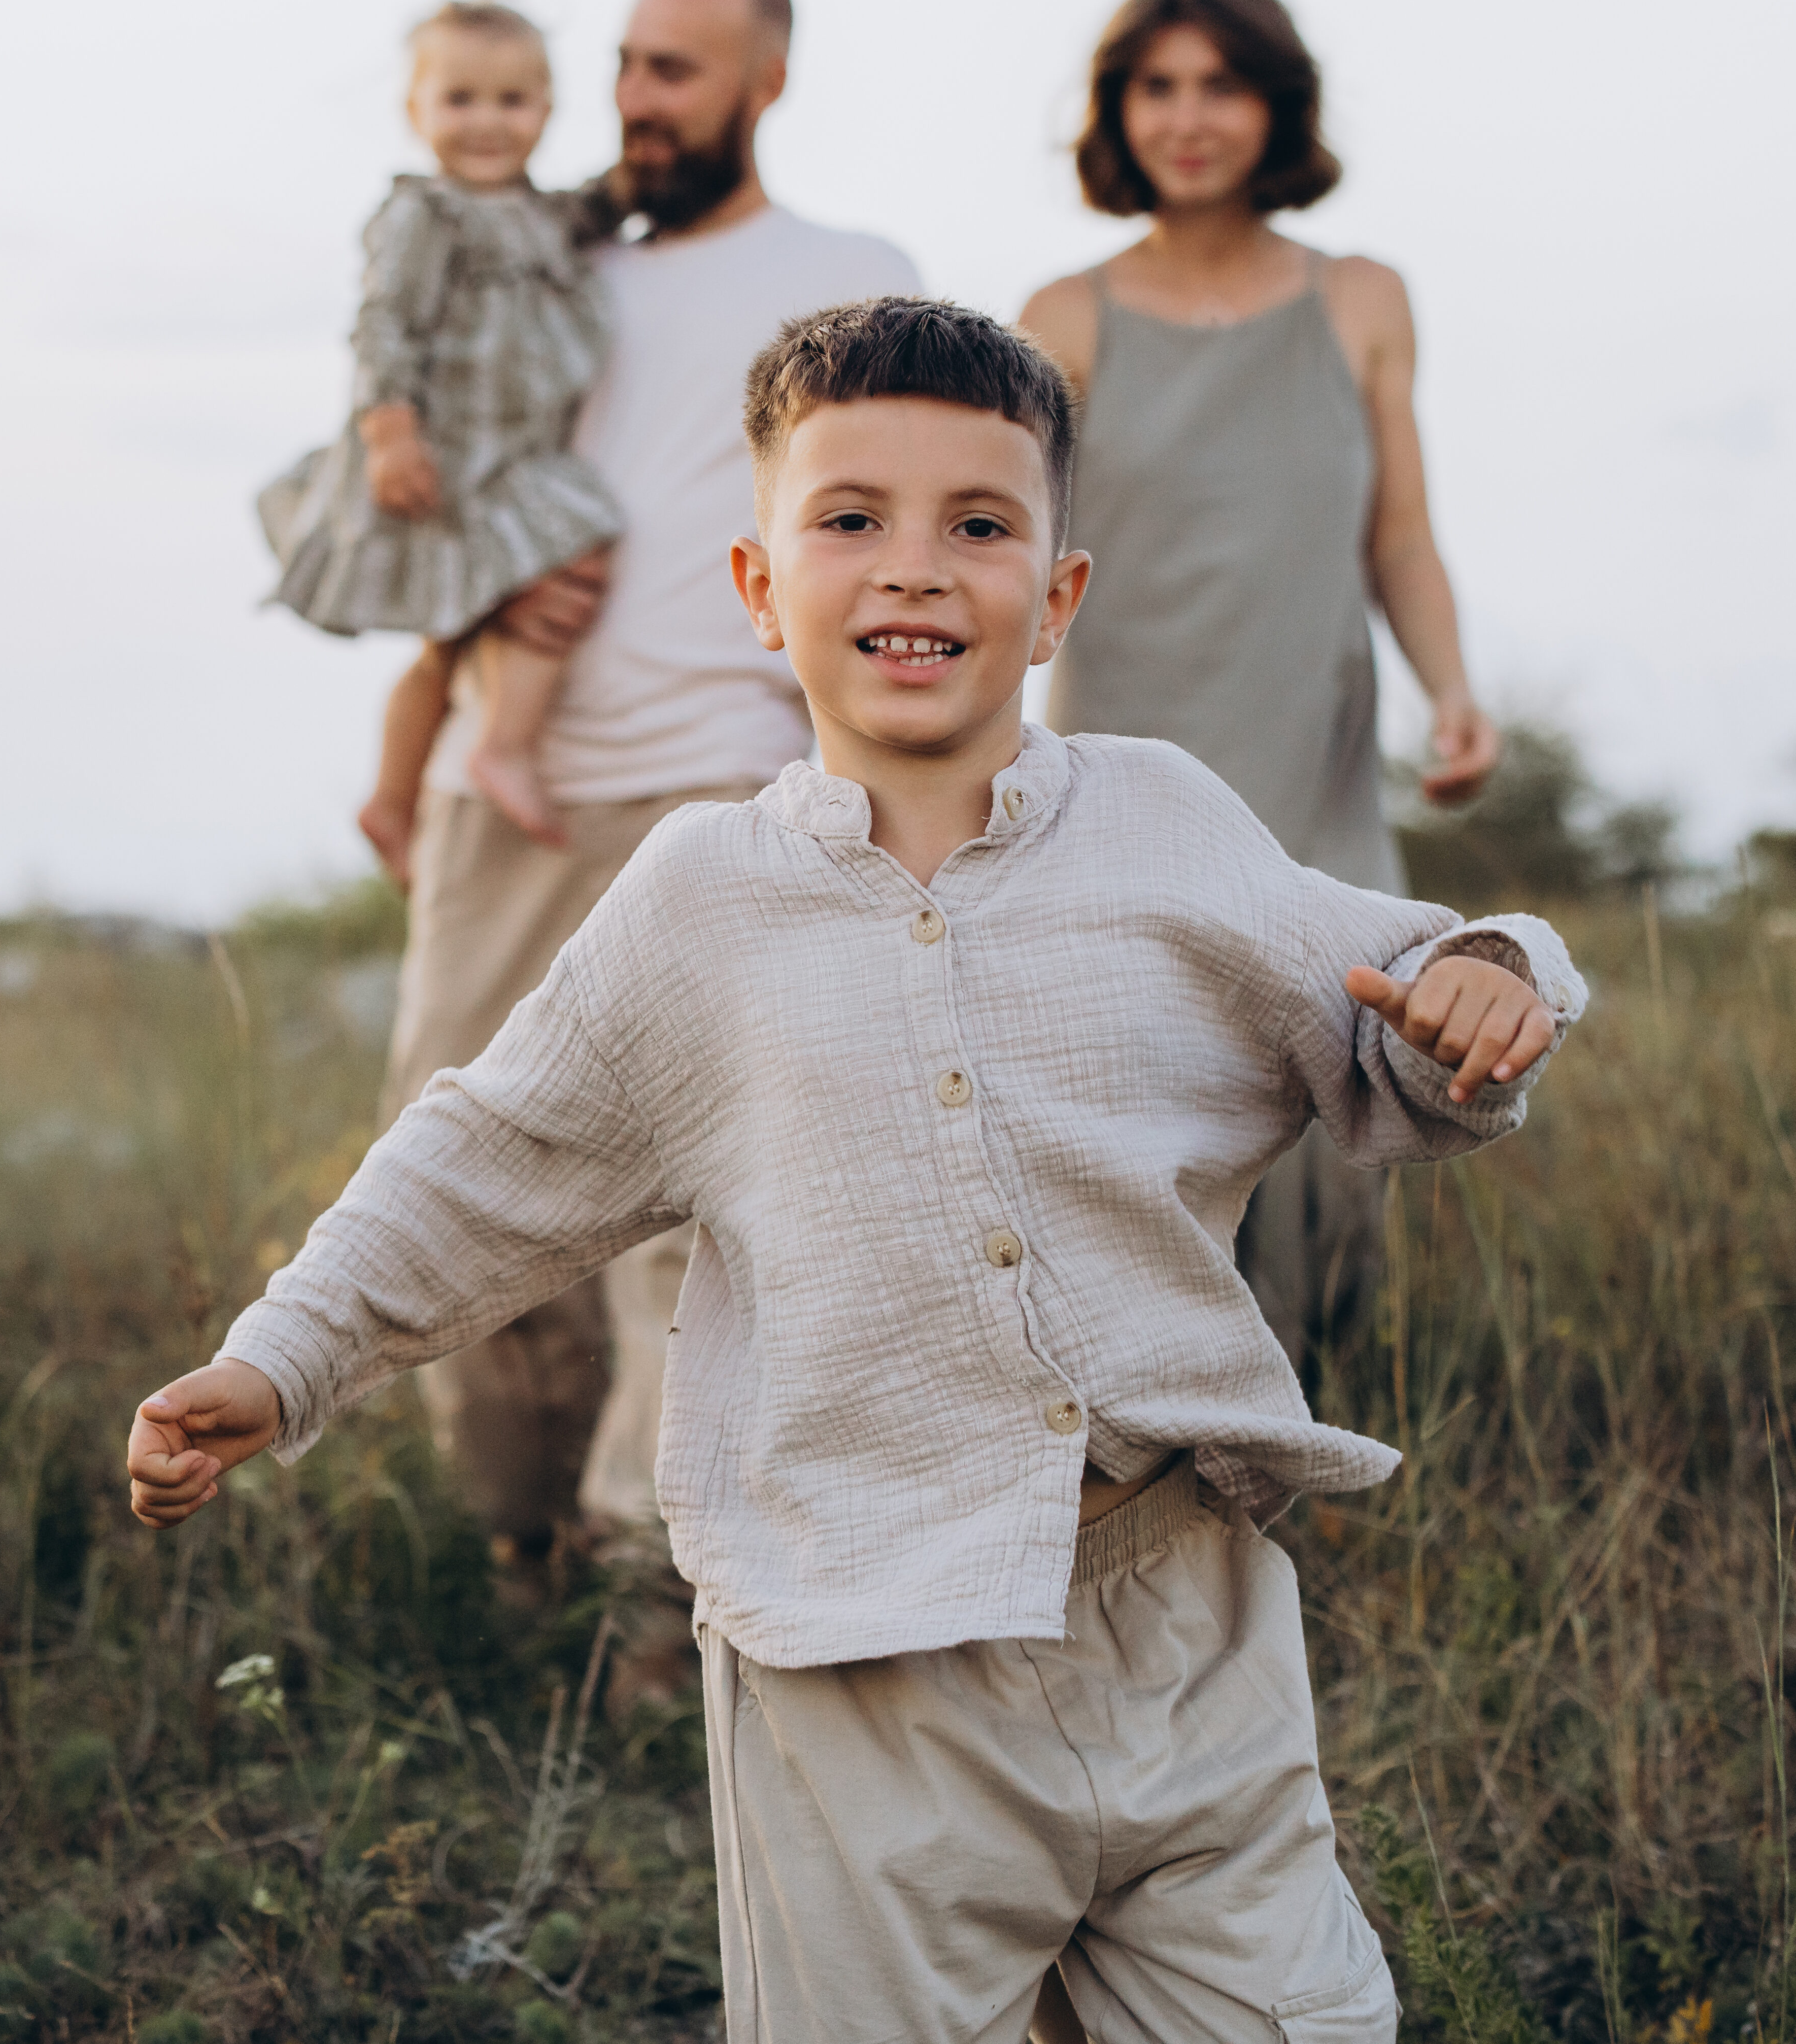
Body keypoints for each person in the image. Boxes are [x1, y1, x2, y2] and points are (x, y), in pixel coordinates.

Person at [130, 296, 1584, 2042]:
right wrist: (280, 1356)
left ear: (1054, 600)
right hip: (855, 1653)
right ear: (757, 588)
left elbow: (1404, 983)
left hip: (1177, 1610)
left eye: (977, 525)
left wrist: (1488, 980)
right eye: (848, 522)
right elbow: (477, 1161)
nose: (912, 569)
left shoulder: (1164, 824)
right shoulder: (695, 904)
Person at [376, 0, 917, 1591]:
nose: (635, 98)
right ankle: (512, 1539)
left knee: (693, 1196)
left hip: (726, 772)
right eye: (622, 62)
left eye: (676, 68)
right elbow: (404, 458)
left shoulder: (850, 274)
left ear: (764, 83)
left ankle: (648, 1568)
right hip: (507, 774)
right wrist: (473, 587)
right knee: (447, 1155)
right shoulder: (529, 259)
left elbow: (888, 510)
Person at [1019, 0, 1503, 1360]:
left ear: (1275, 106)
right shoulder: (1065, 315)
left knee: (1347, 1082)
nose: (1188, 118)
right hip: (1129, 772)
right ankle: (1159, 1479)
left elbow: (1399, 534)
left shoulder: (1362, 299)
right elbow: (1013, 553)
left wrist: (1451, 691)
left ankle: (1313, 1470)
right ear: (1118, 112)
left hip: (1316, 764)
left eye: (1220, 84)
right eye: (1155, 86)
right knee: (1151, 1118)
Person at [258, 0, 623, 868]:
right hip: (451, 457)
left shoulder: (543, 214)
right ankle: (505, 743)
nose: (488, 123)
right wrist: (389, 433)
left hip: (509, 449)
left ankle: (391, 801)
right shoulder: (426, 215)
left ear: (547, 109)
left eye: (513, 101)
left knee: (449, 639)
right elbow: (384, 324)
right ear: (414, 110)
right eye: (461, 99)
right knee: (582, 541)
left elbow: (600, 212)